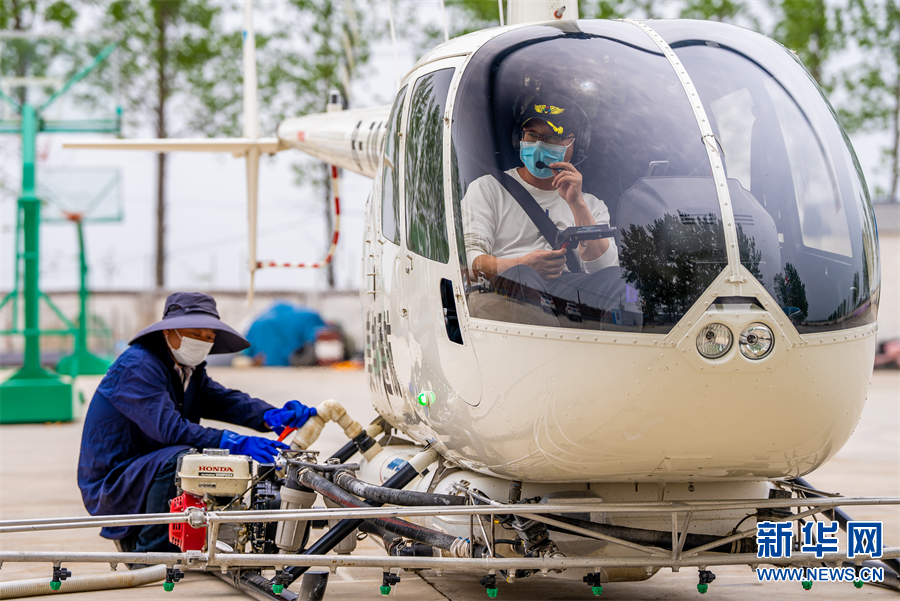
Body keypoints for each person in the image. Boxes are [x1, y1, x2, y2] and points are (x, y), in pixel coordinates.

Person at [77, 292, 316, 554]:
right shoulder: (139, 366)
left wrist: (270, 416)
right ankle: (149, 555)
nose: (202, 341)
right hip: (118, 480)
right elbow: (170, 429)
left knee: (210, 460)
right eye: (194, 334)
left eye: (209, 337)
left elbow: (222, 400)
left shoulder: (186, 369)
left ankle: (204, 539)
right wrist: (234, 442)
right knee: (185, 460)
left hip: (147, 467)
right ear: (168, 331)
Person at [462, 93, 623, 315]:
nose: (539, 145)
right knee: (522, 276)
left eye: (552, 138)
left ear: (575, 145)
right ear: (519, 138)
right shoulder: (487, 189)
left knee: (621, 282)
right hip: (509, 293)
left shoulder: (591, 205)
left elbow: (606, 272)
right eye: (532, 135)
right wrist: (523, 264)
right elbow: (470, 262)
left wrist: (576, 204)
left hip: (568, 296)